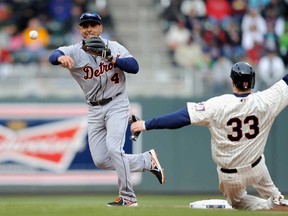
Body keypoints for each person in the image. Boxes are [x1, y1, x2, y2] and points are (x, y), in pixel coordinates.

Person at [131, 62, 288, 210]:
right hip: (257, 167)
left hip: (230, 176)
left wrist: (146, 124)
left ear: (232, 82)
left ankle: (269, 205)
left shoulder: (218, 105)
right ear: (252, 81)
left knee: (237, 203)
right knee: (277, 199)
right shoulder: (267, 100)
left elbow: (181, 118)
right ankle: (277, 201)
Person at [48, 12, 165, 207]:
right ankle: (146, 161)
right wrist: (61, 59)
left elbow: (134, 67)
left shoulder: (114, 47)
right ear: (80, 30)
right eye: (85, 25)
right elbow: (54, 55)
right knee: (101, 160)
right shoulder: (75, 51)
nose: (89, 29)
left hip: (116, 103)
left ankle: (128, 198)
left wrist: (110, 58)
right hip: (94, 109)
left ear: (100, 28)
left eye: (93, 25)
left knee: (114, 148)